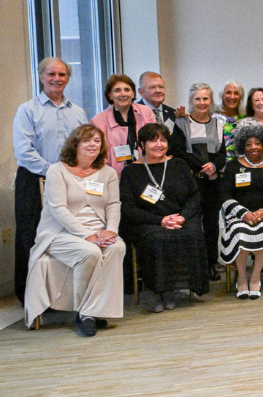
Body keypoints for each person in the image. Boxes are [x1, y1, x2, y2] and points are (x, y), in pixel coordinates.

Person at [24, 125, 125, 335]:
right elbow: (58, 209)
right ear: (75, 144)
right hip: (60, 232)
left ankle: (91, 311)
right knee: (90, 252)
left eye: (97, 141)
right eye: (87, 140)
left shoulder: (108, 173)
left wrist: (112, 230)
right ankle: (85, 313)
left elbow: (113, 204)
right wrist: (87, 236)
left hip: (99, 230)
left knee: (117, 247)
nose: (92, 145)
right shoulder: (57, 170)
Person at [13, 57, 88, 303]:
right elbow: (24, 152)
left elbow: (85, 148)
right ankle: (31, 300)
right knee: (32, 237)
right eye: (51, 74)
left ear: (68, 78)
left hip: (70, 183)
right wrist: (54, 172)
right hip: (34, 181)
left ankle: (65, 296)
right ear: (41, 76)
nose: (56, 79)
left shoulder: (78, 112)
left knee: (69, 235)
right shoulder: (27, 110)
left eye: (62, 74)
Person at [120, 124, 208, 312]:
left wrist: (182, 218)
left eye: (163, 140)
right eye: (153, 140)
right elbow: (128, 207)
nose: (159, 144)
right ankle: (156, 289)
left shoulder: (179, 164)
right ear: (142, 144)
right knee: (156, 238)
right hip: (147, 221)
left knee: (193, 233)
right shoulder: (131, 171)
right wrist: (159, 221)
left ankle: (173, 287)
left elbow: (194, 196)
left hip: (179, 218)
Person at [220, 124, 263, 299]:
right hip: (239, 216)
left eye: (257, 143)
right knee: (239, 232)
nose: (253, 147)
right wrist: (243, 213)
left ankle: (255, 276)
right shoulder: (233, 167)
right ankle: (242, 277)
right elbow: (225, 195)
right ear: (242, 146)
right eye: (248, 144)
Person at [171, 83, 227, 280]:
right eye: (198, 99)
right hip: (190, 183)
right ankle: (193, 265)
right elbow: (177, 152)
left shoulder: (218, 124)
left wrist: (214, 165)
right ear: (191, 101)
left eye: (205, 99)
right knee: (191, 223)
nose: (202, 103)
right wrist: (202, 167)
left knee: (211, 224)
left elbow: (222, 155)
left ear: (211, 101)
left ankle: (211, 262)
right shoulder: (182, 124)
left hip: (212, 183)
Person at [91, 74, 156, 175]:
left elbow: (154, 141)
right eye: (117, 90)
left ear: (133, 94)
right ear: (110, 95)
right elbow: (98, 155)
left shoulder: (146, 112)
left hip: (146, 171)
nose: (123, 94)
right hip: (114, 176)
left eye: (127, 90)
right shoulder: (98, 121)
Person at [218, 80, 246, 161]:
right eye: (228, 93)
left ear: (241, 97)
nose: (232, 97)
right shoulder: (212, 116)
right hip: (215, 166)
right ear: (222, 95)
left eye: (236, 93)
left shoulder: (246, 118)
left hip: (240, 166)